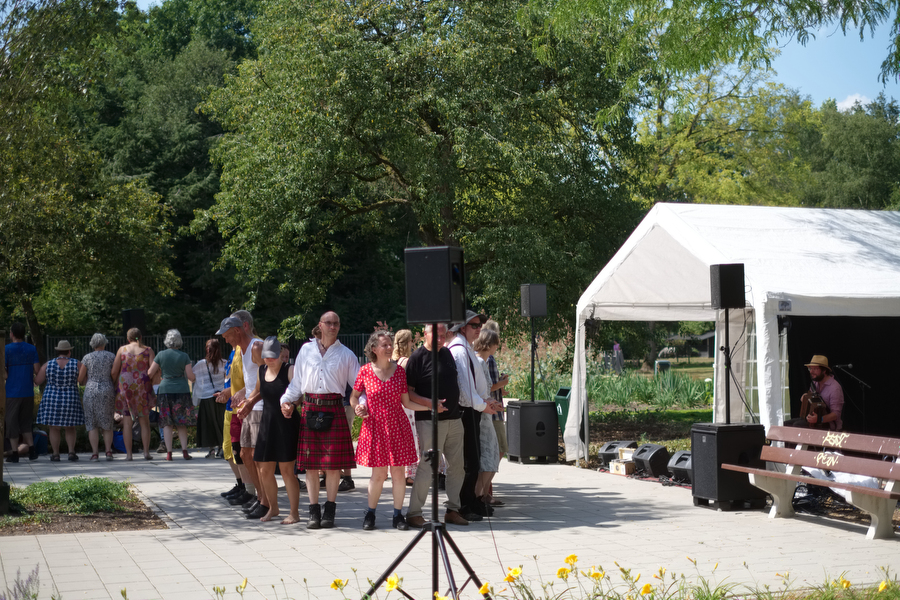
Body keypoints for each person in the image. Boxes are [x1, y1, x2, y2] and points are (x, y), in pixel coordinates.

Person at [280, 311, 359, 529]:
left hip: (335, 409)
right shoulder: (306, 350)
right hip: (310, 408)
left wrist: (364, 404)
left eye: (336, 323)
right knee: (311, 466)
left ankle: (330, 511)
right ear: (320, 325)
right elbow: (297, 383)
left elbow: (359, 386)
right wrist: (286, 401)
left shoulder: (347, 355)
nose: (333, 327)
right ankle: (313, 511)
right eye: (329, 323)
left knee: (333, 467)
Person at [350, 330, 435, 530]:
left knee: (398, 474)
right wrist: (357, 407)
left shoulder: (399, 372)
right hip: (375, 427)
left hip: (397, 426)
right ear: (374, 349)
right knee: (378, 475)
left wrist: (430, 407)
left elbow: (407, 403)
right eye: (385, 345)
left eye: (390, 344)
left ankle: (398, 516)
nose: (389, 348)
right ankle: (370, 514)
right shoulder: (364, 371)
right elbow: (354, 397)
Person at [405, 323, 468, 528]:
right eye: (437, 336)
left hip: (454, 420)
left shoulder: (447, 354)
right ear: (425, 333)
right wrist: (429, 403)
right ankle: (414, 513)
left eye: (444, 335)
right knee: (428, 467)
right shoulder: (417, 358)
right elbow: (408, 392)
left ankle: (452, 510)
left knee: (457, 467)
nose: (441, 340)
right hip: (430, 421)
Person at [242, 337, 302, 523]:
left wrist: (292, 404)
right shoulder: (262, 371)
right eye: (266, 357)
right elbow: (258, 393)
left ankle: (294, 512)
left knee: (286, 471)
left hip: (286, 424)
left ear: (280, 356)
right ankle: (273, 508)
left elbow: (299, 394)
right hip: (267, 423)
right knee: (264, 469)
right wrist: (247, 403)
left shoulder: (289, 370)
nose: (269, 360)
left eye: (272, 357)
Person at [447, 310, 500, 519]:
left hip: (474, 408)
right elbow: (465, 389)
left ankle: (470, 502)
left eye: (480, 326)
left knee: (473, 460)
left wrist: (484, 402)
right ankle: (464, 505)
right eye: (474, 325)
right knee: (469, 461)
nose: (479, 329)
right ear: (463, 328)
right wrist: (483, 405)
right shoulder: (459, 350)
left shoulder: (465, 348)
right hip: (467, 410)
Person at [218, 313, 265, 513]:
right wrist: (240, 392)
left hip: (260, 409)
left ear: (238, 330)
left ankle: (265, 501)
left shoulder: (256, 346)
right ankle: (261, 497)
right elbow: (252, 380)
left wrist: (250, 400)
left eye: (227, 335)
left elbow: (268, 378)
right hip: (249, 407)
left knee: (258, 458)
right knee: (245, 454)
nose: (225, 340)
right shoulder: (242, 350)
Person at [148, 329, 196, 460]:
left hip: (165, 390)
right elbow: (191, 376)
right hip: (182, 390)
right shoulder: (184, 356)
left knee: (167, 423)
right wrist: (196, 379)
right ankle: (185, 451)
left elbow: (150, 373)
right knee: (182, 422)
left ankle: (169, 453)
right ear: (179, 340)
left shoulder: (161, 355)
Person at [35, 341, 85, 461]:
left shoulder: (48, 364)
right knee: (70, 427)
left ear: (58, 352)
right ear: (69, 351)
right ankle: (71, 452)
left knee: (54, 427)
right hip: (70, 398)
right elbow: (83, 381)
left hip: (51, 399)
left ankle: (56, 454)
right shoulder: (76, 364)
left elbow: (38, 381)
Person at [112, 328, 156, 461]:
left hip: (126, 388)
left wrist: (115, 384)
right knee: (144, 422)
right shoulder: (148, 350)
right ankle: (146, 453)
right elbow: (152, 370)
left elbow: (114, 371)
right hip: (143, 387)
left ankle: (129, 455)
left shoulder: (122, 350)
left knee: (127, 423)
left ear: (128, 338)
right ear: (141, 337)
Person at [474, 328, 505, 508]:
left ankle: (482, 494)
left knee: (492, 456)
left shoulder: (483, 362)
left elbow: (484, 392)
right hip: (482, 415)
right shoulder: (479, 362)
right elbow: (478, 392)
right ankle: (479, 495)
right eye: (496, 343)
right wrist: (489, 403)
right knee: (488, 458)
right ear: (490, 344)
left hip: (487, 412)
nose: (497, 347)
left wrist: (493, 402)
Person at [78, 333, 117, 461]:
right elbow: (115, 374)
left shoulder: (87, 358)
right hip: (107, 389)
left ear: (92, 344)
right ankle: (108, 451)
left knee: (92, 423)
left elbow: (80, 378)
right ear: (104, 343)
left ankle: (95, 453)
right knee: (107, 422)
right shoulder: (111, 356)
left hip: (91, 390)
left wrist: (86, 381)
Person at [482, 319, 508, 505]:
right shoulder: (488, 358)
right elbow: (488, 387)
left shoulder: (486, 358)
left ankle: (486, 490)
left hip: (493, 407)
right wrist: (501, 384)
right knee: (499, 449)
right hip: (494, 411)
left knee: (496, 450)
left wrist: (501, 388)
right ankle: (484, 490)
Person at [4, 323, 39, 462]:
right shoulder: (31, 349)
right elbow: (37, 370)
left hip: (12, 392)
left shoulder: (6, 349)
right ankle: (32, 450)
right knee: (26, 422)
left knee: (11, 423)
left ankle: (14, 454)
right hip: (28, 391)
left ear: (12, 334)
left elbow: (5, 375)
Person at [788, 355, 845, 431]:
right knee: (786, 425)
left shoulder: (835, 388)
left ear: (824, 371)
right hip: (814, 420)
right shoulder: (815, 383)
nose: (811, 371)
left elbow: (835, 415)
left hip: (829, 426)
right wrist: (805, 397)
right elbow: (812, 401)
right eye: (810, 368)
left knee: (797, 425)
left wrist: (819, 419)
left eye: (815, 369)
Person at [392, 329, 418, 486]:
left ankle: (398, 471)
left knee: (399, 439)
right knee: (410, 438)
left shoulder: (392, 360)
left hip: (396, 404)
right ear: (408, 343)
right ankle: (409, 473)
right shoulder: (406, 361)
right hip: (407, 404)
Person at [194, 339, 228, 458]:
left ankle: (211, 449)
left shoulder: (201, 364)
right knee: (221, 423)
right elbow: (227, 379)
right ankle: (222, 447)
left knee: (209, 424)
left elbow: (192, 377)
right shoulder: (225, 363)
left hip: (206, 397)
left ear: (207, 349)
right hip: (221, 396)